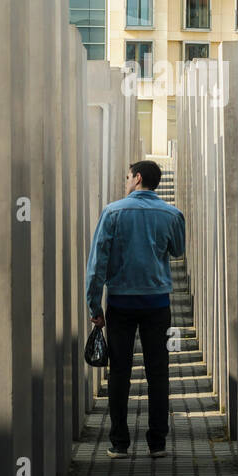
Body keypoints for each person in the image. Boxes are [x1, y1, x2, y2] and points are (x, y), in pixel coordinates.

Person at [85, 160, 186, 459]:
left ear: (137, 178)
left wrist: (94, 305)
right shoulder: (171, 214)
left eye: (127, 176)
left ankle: (119, 442)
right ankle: (157, 442)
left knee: (119, 372)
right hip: (157, 304)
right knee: (158, 372)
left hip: (120, 303)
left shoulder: (113, 212)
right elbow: (177, 250)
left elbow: (96, 265)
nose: (126, 181)